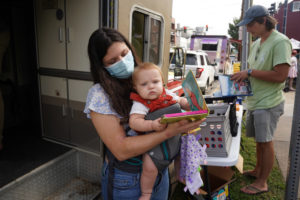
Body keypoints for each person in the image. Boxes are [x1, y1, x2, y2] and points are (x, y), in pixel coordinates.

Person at [84, 28, 205, 200]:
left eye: (124, 53)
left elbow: (172, 99)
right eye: (113, 61)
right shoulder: (99, 95)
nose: (122, 61)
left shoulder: (144, 76)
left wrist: (192, 108)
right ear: (102, 66)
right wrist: (169, 131)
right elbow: (121, 150)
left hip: (160, 170)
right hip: (126, 180)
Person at [232, 5, 292, 195]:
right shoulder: (258, 42)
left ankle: (262, 182)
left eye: (251, 25)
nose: (248, 29)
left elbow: (280, 75)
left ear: (264, 21)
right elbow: (255, 71)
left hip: (269, 102)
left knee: (266, 142)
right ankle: (258, 170)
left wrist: (249, 72)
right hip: (256, 100)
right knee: (260, 140)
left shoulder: (280, 42)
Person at [129, 62, 190, 200]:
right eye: (144, 84)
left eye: (155, 82)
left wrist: (187, 104)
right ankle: (146, 193)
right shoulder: (140, 103)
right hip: (155, 147)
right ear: (136, 88)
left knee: (182, 155)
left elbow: (179, 100)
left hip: (175, 141)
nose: (150, 86)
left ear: (162, 82)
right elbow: (134, 122)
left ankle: (182, 175)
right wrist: (151, 125)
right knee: (149, 169)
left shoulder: (166, 93)